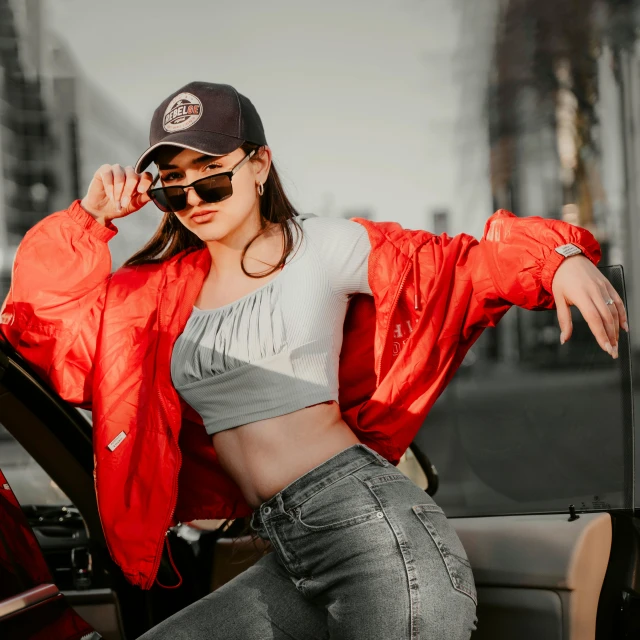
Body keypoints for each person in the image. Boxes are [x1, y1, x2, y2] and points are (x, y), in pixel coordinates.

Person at [0, 81, 626, 640]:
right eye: (174, 186)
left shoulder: (318, 246)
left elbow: (460, 265)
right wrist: (88, 220)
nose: (195, 198)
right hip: (286, 549)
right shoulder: (154, 295)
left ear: (259, 165)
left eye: (212, 174)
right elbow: (45, 333)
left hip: (373, 533)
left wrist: (555, 259)